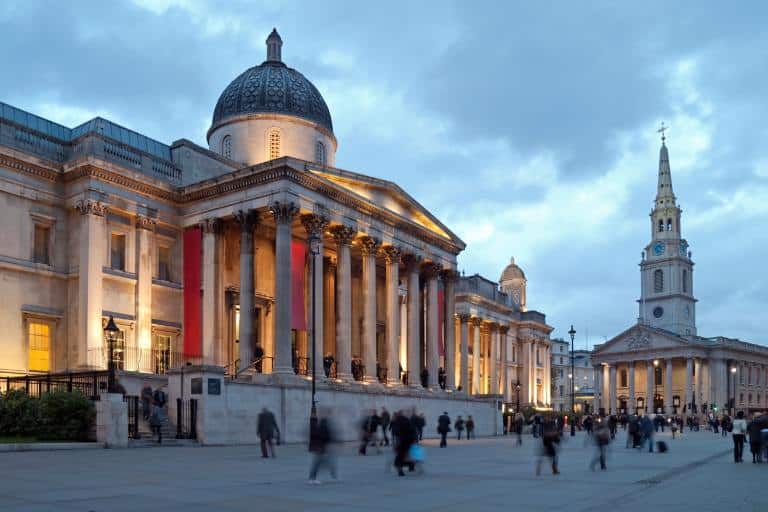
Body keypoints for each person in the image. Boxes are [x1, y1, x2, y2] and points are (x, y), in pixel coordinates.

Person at [308, 409, 337, 484]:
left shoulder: (321, 422)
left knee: (322, 461)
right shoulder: (323, 423)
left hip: (321, 446)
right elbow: (325, 434)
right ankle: (312, 478)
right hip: (321, 446)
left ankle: (332, 474)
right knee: (319, 462)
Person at [391, 410, 416, 476]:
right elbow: (413, 430)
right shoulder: (407, 420)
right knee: (407, 454)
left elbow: (395, 432)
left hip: (402, 440)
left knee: (401, 454)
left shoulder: (396, 421)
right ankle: (410, 465)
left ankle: (400, 467)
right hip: (409, 440)